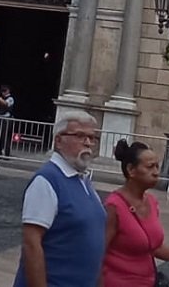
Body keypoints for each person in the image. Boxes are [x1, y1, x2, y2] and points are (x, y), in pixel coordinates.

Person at [14, 110, 107, 287]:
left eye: (92, 137)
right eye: (80, 136)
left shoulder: (83, 180)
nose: (87, 143)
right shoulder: (46, 181)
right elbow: (31, 244)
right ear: (58, 140)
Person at [101, 140, 169, 286]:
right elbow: (97, 252)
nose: (156, 172)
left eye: (157, 166)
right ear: (131, 170)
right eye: (149, 167)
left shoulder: (152, 202)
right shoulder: (113, 206)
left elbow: (153, 247)